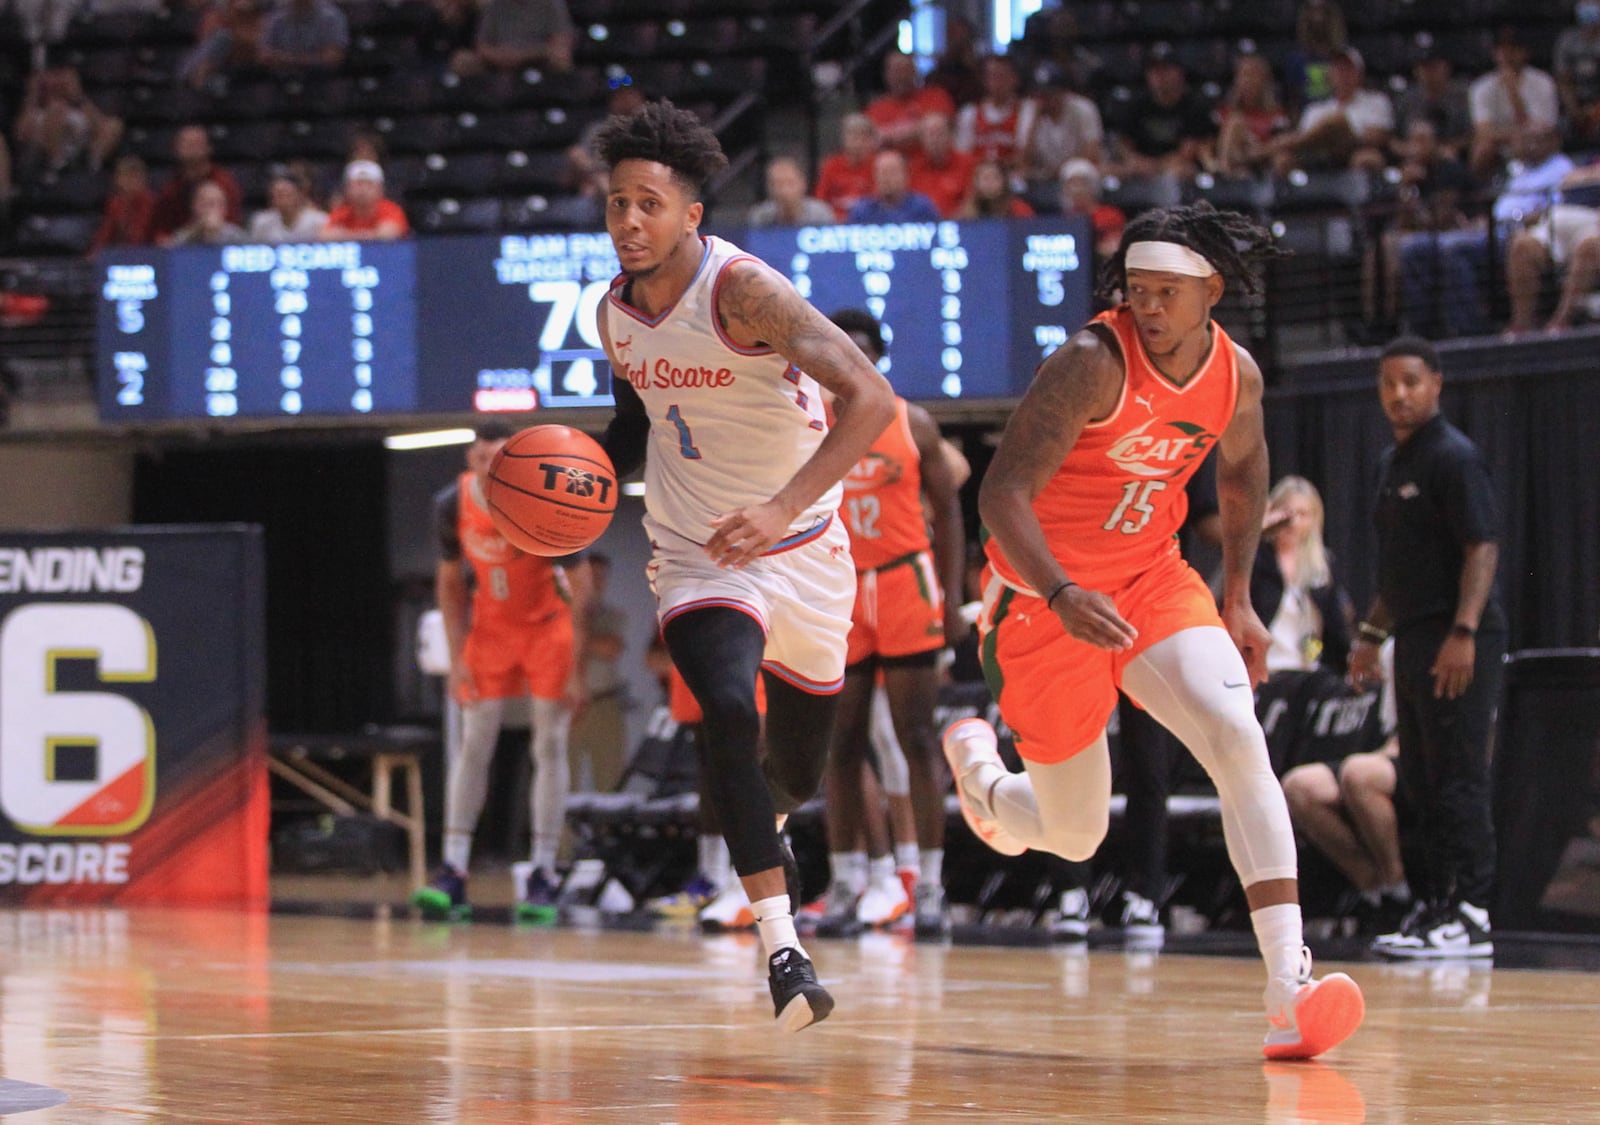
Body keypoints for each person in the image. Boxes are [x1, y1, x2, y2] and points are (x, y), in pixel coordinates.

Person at [942, 202, 1365, 1059]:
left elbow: (1244, 468)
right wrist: (1060, 592)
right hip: (1041, 596)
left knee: (1235, 733)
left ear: (1211, 288)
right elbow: (999, 496)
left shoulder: (1234, 374)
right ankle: (984, 778)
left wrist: (1240, 592)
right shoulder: (1091, 362)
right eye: (1137, 290)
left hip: (1150, 579)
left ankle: (1291, 986)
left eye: (1167, 292)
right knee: (1076, 832)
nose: (1149, 307)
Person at [591, 99, 895, 1031]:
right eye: (615, 205)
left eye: (649, 204)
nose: (630, 222)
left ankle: (771, 838)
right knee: (724, 704)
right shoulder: (612, 311)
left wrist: (778, 509)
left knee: (792, 772)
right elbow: (635, 426)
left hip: (802, 546)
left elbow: (873, 400)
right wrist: (575, 482)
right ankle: (784, 948)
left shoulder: (745, 293)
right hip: (695, 546)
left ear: (692, 214)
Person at [1349, 336, 1504, 960]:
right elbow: (1396, 570)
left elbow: (1482, 547)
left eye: (1411, 381)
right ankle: (1435, 905)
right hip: (1410, 639)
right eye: (1388, 383)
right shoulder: (1393, 463)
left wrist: (1463, 631)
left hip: (1456, 638)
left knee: (1458, 778)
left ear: (1436, 383)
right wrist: (1369, 635)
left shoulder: (1454, 457)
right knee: (1418, 778)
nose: (1399, 394)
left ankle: (1472, 913)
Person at [817, 309, 966, 939]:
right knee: (841, 745)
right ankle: (849, 882)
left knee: (915, 738)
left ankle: (928, 885)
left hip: (906, 584)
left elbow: (951, 516)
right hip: (843, 589)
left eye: (861, 353)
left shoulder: (915, 423)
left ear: (876, 360)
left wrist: (953, 598)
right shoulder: (811, 427)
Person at [413, 422, 593, 923]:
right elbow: (449, 584)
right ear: (470, 460)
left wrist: (578, 667)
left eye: (495, 458)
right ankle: (452, 869)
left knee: (549, 744)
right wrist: (456, 656)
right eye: (478, 458)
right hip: (490, 628)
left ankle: (541, 870)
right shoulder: (452, 503)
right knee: (475, 743)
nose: (485, 466)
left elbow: (581, 586)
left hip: (545, 628)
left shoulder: (544, 502)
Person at [1269, 47, 1393, 174]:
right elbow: (1307, 142)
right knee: (1283, 160)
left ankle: (1278, 145)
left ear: (1360, 74)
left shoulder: (1376, 101)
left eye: (1348, 70)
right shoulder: (1315, 109)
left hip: (1355, 152)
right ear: (1330, 75)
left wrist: (1338, 132)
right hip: (1317, 156)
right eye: (1338, 70)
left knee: (1367, 157)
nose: (1343, 75)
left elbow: (1377, 136)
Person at [567, 552, 628, 794]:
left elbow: (611, 648)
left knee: (610, 779)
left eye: (602, 577)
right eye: (591, 577)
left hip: (603, 700)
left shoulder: (611, 615)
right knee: (562, 782)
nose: (596, 583)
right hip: (567, 704)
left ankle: (608, 832)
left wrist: (577, 636)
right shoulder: (559, 612)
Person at [1469, 26, 1560, 179]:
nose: (1507, 54)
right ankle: (1479, 196)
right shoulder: (1481, 87)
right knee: (1482, 148)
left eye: (1513, 49)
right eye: (1502, 49)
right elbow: (1483, 131)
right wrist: (1514, 135)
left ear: (1524, 52)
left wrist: (1513, 93)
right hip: (1502, 144)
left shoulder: (1542, 82)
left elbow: (1543, 129)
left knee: (1529, 142)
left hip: (1536, 144)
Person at [149, 125, 243, 244]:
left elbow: (231, 224)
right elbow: (162, 231)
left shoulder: (224, 183)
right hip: (181, 249)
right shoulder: (170, 188)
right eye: (186, 143)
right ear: (176, 148)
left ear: (208, 148)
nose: (191, 148)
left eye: (196, 143)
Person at [1213, 53, 1290, 178]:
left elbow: (1281, 145)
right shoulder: (1224, 113)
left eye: (1254, 75)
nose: (1248, 81)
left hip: (1263, 165)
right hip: (1231, 165)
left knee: (1283, 159)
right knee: (1235, 123)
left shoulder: (1276, 115)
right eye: (1244, 75)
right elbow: (1211, 145)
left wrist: (1254, 151)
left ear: (1265, 80)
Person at [865, 50, 956, 155]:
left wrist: (890, 137)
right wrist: (917, 130)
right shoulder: (875, 108)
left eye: (906, 70)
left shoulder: (936, 96)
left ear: (915, 71)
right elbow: (869, 140)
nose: (901, 76)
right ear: (886, 75)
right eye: (896, 71)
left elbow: (939, 128)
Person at [451, 0, 573, 76]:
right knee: (462, 61)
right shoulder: (494, 5)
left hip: (538, 57)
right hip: (499, 60)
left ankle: (557, 107)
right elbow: (481, 46)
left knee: (560, 58)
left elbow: (561, 41)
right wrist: (504, 57)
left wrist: (524, 56)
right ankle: (479, 110)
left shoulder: (551, 3)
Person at [321, 160, 410, 241]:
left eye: (369, 184)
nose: (363, 190)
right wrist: (372, 234)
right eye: (358, 184)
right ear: (346, 189)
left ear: (380, 189)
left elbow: (388, 234)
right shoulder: (341, 213)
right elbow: (325, 235)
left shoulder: (391, 210)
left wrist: (345, 235)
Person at [847, 149, 940, 224]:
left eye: (892, 172)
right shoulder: (862, 212)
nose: (886, 178)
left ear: (905, 176)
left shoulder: (922, 208)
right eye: (882, 173)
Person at [813, 113, 879, 221]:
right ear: (844, 138)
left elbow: (880, 204)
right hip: (833, 222)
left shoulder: (878, 165)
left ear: (871, 140)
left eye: (862, 135)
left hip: (868, 223)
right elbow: (820, 201)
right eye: (852, 135)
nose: (857, 141)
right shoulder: (831, 165)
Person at [257, 0, 348, 74]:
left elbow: (333, 58)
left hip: (322, 79)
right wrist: (311, 58)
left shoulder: (332, 18)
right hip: (281, 80)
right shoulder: (275, 18)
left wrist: (288, 60)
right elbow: (265, 56)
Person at [1555, 0, 1600, 149]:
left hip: (1597, 104)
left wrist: (1595, 111)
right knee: (1559, 127)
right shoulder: (1568, 40)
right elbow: (1564, 81)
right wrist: (1575, 111)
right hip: (1575, 105)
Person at [89, 154, 155, 254]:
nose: (130, 181)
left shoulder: (151, 201)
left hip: (145, 252)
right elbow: (105, 233)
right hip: (119, 253)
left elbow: (142, 234)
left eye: (135, 176)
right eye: (126, 176)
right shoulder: (115, 203)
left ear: (143, 179)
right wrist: (95, 254)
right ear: (117, 179)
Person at [248, 162, 328, 243]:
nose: (281, 200)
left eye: (286, 194)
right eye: (276, 195)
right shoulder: (261, 222)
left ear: (299, 195)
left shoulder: (319, 221)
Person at [747, 156, 836, 228]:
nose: (784, 191)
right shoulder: (760, 217)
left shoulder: (820, 214)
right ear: (769, 188)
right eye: (778, 184)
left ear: (802, 184)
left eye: (790, 183)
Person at [167, 180, 249, 245]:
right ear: (194, 206)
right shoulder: (183, 237)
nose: (214, 209)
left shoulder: (237, 236)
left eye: (220, 204)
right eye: (209, 204)